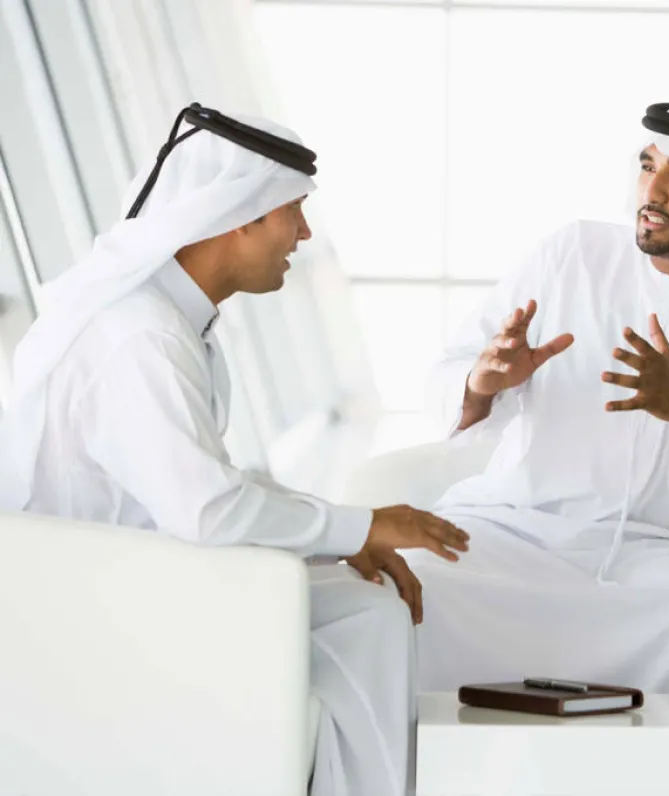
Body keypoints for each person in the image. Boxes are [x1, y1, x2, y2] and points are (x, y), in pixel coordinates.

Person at [0, 105, 469, 796]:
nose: (304, 234)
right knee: (369, 617)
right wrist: (360, 526)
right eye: (293, 211)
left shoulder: (166, 323)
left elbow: (204, 489)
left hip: (131, 578)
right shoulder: (142, 338)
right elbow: (207, 510)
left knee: (363, 606)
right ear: (240, 215)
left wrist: (341, 539)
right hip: (94, 610)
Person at [412, 97, 669, 694]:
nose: (651, 191)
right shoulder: (574, 255)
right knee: (414, 579)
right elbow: (447, 372)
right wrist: (482, 384)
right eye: (647, 166)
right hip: (514, 527)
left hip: (663, 553)